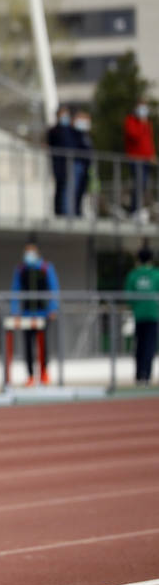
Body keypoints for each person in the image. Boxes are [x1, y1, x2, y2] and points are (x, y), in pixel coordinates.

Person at [9, 242, 59, 386]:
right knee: (27, 346)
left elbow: (54, 288)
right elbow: (15, 290)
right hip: (26, 314)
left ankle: (44, 373)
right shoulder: (21, 270)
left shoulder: (46, 268)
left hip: (43, 313)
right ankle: (30, 375)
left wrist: (53, 308)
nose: (28, 257)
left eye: (31, 253)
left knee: (43, 345)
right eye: (26, 253)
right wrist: (15, 311)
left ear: (37, 254)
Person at [124, 246, 159, 384]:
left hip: (138, 315)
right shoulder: (156, 274)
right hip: (152, 314)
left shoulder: (133, 275)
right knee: (149, 346)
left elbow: (128, 297)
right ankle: (147, 375)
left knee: (139, 345)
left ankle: (139, 375)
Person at [124, 101, 156, 219]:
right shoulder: (131, 121)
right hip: (136, 159)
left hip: (146, 160)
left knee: (144, 185)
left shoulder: (147, 123)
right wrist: (142, 124)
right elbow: (134, 135)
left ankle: (139, 208)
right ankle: (134, 209)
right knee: (139, 183)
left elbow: (148, 141)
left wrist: (152, 154)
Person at [45, 106, 76, 217]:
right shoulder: (54, 131)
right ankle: (59, 212)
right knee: (60, 187)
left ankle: (70, 210)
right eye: (63, 114)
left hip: (70, 162)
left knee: (70, 188)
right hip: (58, 163)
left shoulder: (71, 130)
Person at [72, 108, 93, 217]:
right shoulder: (75, 134)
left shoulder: (86, 135)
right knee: (74, 191)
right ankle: (73, 212)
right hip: (77, 164)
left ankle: (78, 211)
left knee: (82, 191)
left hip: (85, 166)